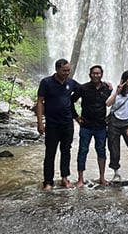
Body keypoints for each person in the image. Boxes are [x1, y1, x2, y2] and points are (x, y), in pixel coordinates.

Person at [35, 58, 81, 190]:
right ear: (57, 69)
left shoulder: (71, 82)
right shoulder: (46, 82)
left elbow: (85, 88)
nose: (67, 73)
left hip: (67, 123)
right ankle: (48, 182)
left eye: (68, 70)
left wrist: (105, 84)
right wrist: (40, 122)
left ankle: (64, 178)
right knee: (50, 152)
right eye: (64, 71)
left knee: (66, 151)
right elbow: (40, 102)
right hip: (52, 124)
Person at [73, 65, 112, 188]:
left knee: (101, 151)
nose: (96, 75)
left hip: (101, 125)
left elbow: (114, 101)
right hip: (86, 125)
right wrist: (76, 117)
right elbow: (71, 100)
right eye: (94, 73)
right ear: (90, 75)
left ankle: (102, 177)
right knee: (83, 151)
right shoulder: (83, 88)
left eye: (98, 73)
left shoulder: (107, 88)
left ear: (102, 74)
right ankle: (80, 179)